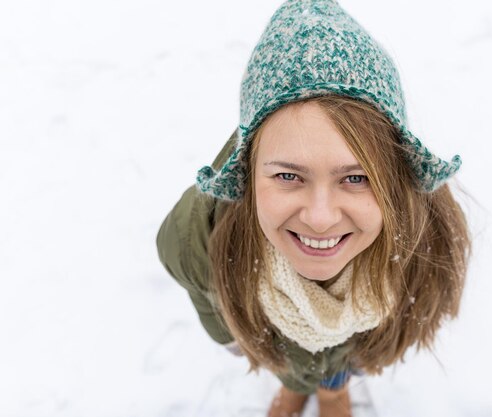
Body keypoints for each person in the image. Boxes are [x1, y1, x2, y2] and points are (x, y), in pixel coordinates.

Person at [156, 0, 471, 416]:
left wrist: (345, 370)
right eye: (288, 176)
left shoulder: (421, 239)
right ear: (248, 174)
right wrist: (236, 339)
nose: (320, 219)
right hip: (281, 347)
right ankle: (294, 384)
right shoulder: (196, 235)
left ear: (393, 179)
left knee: (336, 361)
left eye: (356, 178)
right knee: (290, 356)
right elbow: (204, 295)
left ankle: (333, 388)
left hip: (345, 355)